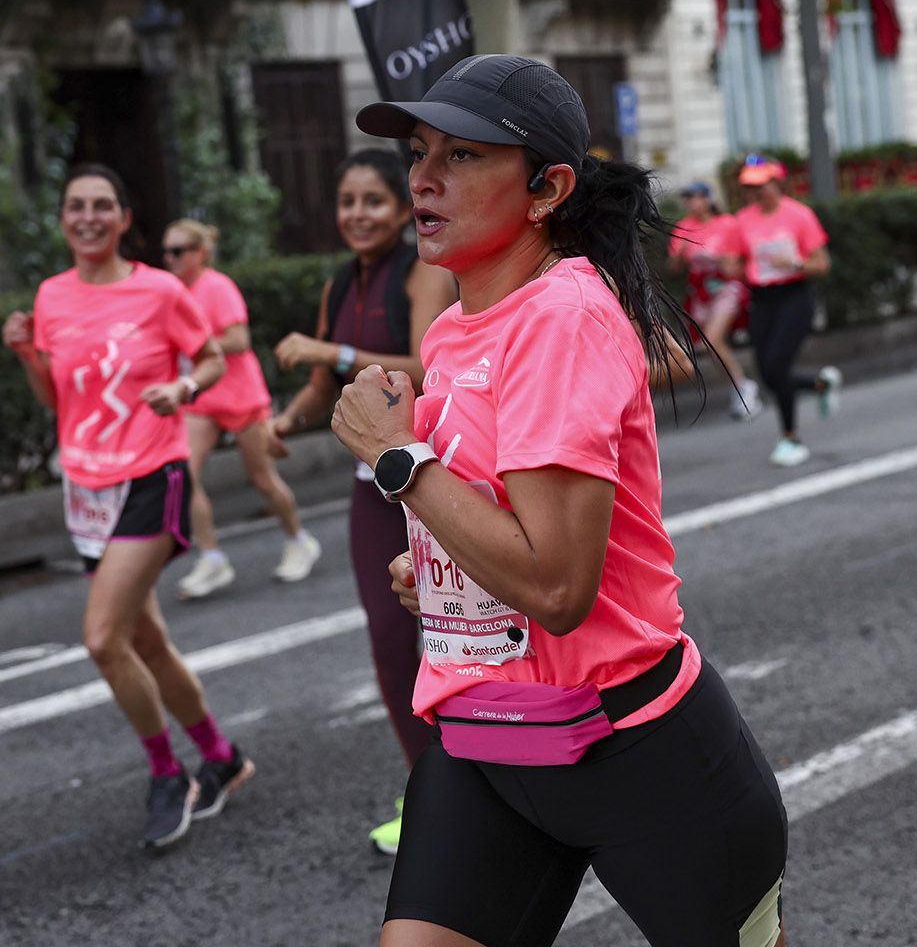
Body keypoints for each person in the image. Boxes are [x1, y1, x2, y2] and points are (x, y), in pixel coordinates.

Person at [335, 54, 788, 947]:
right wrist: (438, 568)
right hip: (485, 741)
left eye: (462, 156)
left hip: (637, 752)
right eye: (419, 153)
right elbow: (498, 531)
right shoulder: (456, 329)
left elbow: (556, 586)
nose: (422, 178)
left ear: (547, 189)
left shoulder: (563, 318)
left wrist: (397, 462)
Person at [1, 164, 253, 850]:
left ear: (121, 217)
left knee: (103, 639)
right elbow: (59, 401)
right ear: (63, 219)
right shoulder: (51, 296)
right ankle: (222, 758)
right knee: (145, 639)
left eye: (101, 206)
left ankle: (169, 773)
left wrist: (181, 389)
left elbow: (210, 360)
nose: (87, 216)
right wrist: (28, 354)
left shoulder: (160, 289)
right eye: (75, 206)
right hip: (85, 488)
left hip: (152, 473)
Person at [269, 149, 458, 855]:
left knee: (456, 636)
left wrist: (333, 350)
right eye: (347, 202)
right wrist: (284, 422)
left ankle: (487, 783)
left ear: (402, 207)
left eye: (373, 200)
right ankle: (433, 790)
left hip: (428, 484)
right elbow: (325, 386)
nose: (357, 215)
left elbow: (426, 365)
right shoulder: (341, 281)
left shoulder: (422, 272)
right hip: (367, 494)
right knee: (387, 644)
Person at [159, 219, 321, 599]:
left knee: (263, 479)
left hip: (239, 396)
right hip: (199, 398)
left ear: (199, 253)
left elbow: (238, 338)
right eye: (166, 252)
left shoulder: (217, 287)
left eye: (178, 251)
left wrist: (195, 344)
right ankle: (212, 558)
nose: (170, 259)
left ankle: (299, 539)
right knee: (185, 476)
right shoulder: (170, 293)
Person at [726, 155, 841, 466]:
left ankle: (791, 439)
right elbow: (737, 264)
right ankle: (820, 384)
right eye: (750, 187)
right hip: (761, 299)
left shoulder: (799, 215)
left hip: (795, 297)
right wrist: (729, 266)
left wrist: (793, 262)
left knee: (777, 367)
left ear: (777, 183)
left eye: (762, 185)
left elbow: (822, 263)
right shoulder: (743, 220)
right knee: (766, 372)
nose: (756, 193)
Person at [667, 181, 760, 418]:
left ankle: (743, 388)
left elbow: (742, 263)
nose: (691, 202)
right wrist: (681, 254)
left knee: (712, 339)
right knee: (709, 346)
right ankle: (739, 385)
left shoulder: (727, 224)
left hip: (726, 287)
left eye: (696, 197)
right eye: (687, 198)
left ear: (708, 199)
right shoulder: (684, 227)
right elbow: (674, 267)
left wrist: (722, 261)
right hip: (701, 291)